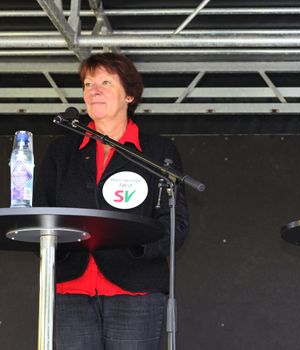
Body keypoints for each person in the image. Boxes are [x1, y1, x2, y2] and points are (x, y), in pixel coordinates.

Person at [35, 52, 189, 349]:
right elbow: (41, 216)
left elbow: (175, 224)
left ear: (129, 95)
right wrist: (62, 253)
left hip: (136, 289)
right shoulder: (61, 152)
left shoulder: (156, 152)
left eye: (105, 82)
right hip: (70, 289)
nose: (93, 90)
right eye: (88, 83)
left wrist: (134, 249)